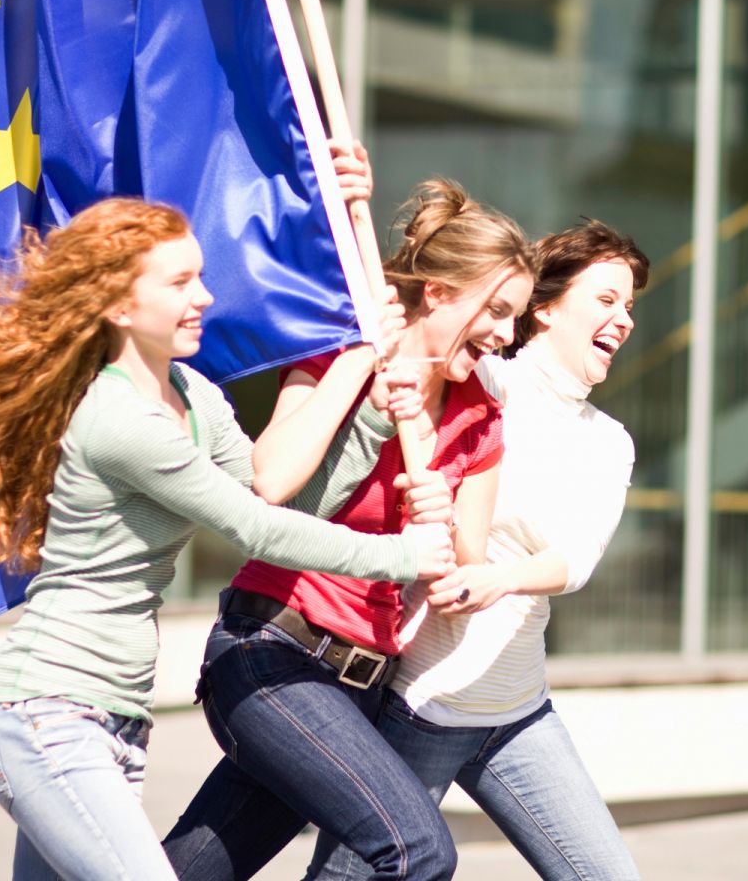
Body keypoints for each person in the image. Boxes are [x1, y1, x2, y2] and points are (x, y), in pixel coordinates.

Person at [0, 148, 459, 881]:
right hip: (47, 715)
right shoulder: (118, 417)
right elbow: (257, 531)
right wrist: (404, 552)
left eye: (200, 275)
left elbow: (281, 499)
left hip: (112, 723)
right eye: (179, 281)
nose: (203, 295)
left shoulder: (194, 397)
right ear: (117, 304)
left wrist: (369, 423)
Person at [162, 178, 536, 881]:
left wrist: (443, 519)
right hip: (273, 653)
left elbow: (463, 575)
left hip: (363, 688)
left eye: (515, 320)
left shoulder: (478, 418)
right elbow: (271, 493)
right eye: (497, 310)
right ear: (439, 293)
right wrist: (366, 376)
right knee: (416, 851)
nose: (504, 337)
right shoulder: (336, 356)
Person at [304, 219, 649, 881]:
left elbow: (577, 560)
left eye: (630, 306)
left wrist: (499, 580)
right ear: (543, 308)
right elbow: (418, 325)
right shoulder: (484, 379)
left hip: (519, 711)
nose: (624, 319)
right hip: (423, 706)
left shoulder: (610, 441)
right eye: (606, 299)